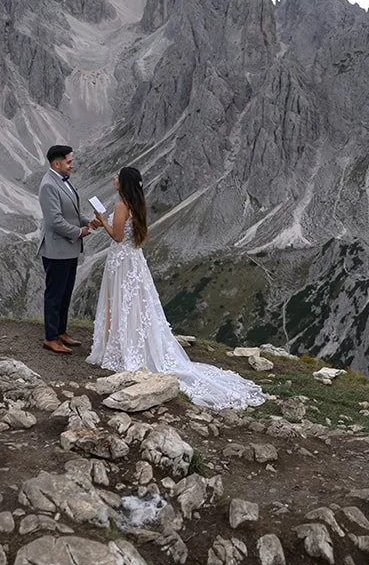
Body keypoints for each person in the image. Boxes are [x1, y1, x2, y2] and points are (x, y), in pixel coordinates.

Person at [86, 166, 266, 409]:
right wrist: (101, 222)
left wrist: (101, 219)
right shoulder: (136, 205)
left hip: (121, 260)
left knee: (120, 302)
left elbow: (117, 237)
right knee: (134, 304)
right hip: (133, 260)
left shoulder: (121, 206)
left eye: (117, 176)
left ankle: (120, 347)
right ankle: (129, 345)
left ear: (124, 182)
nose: (113, 178)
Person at [38, 144, 91, 354]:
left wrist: (89, 222)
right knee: (55, 294)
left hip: (68, 249)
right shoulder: (48, 185)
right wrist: (79, 232)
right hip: (57, 250)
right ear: (56, 163)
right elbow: (55, 221)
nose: (71, 165)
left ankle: (61, 332)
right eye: (68, 162)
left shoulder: (63, 181)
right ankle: (50, 338)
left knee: (66, 293)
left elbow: (72, 213)